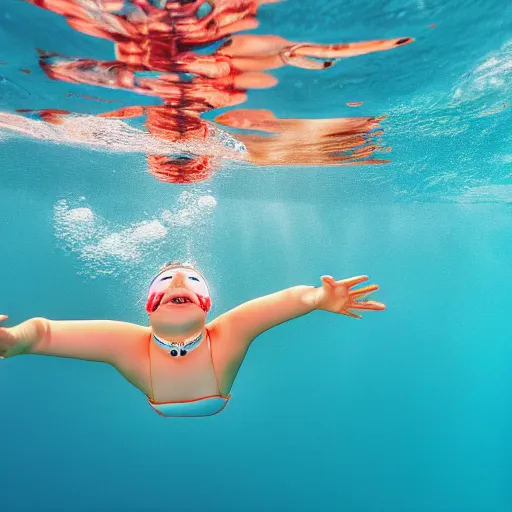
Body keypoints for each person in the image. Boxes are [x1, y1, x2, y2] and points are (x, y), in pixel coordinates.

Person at [0, 262, 385, 417]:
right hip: (190, 397)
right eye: (167, 282)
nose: (180, 282)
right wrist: (13, 339)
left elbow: (281, 302)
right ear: (148, 307)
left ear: (207, 305)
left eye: (191, 281)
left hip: (192, 396)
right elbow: (45, 332)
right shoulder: (129, 343)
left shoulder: (226, 334)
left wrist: (319, 298)